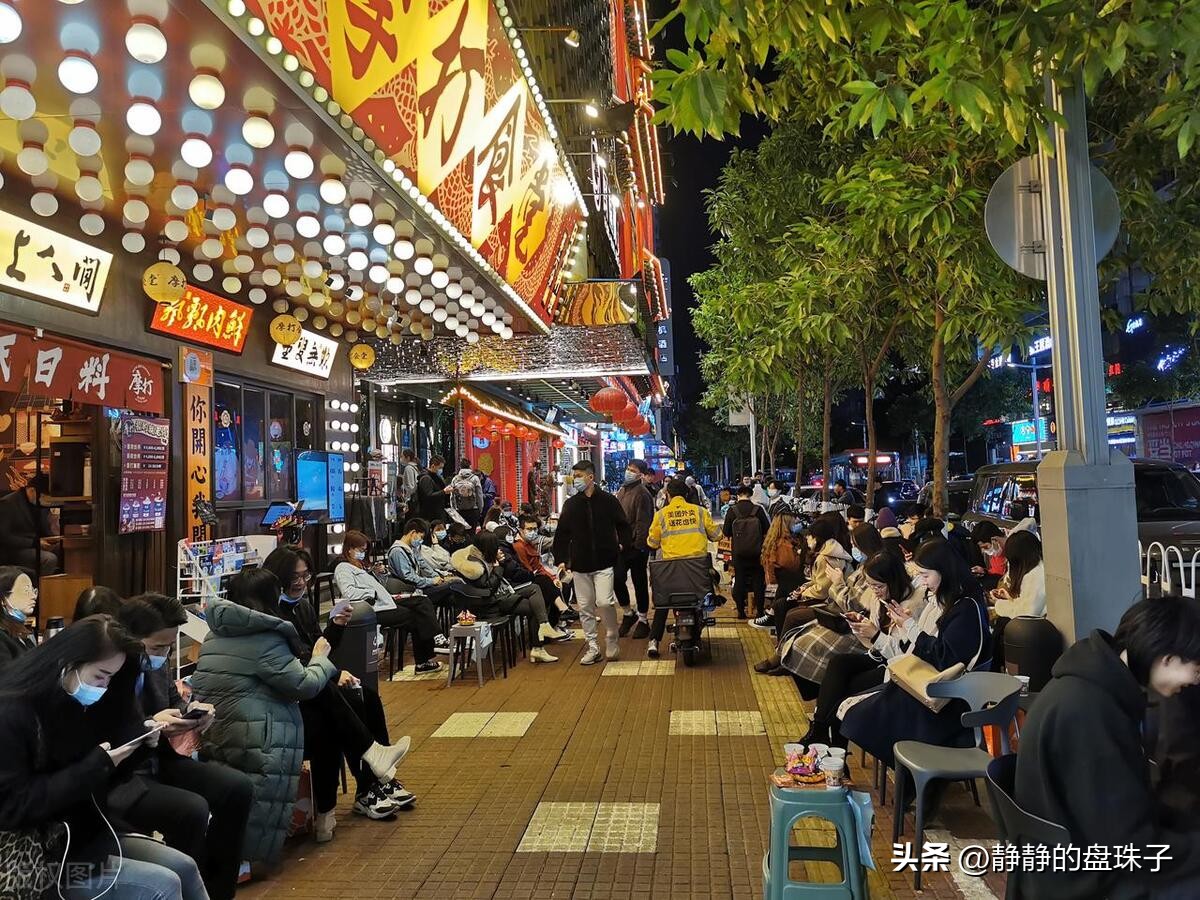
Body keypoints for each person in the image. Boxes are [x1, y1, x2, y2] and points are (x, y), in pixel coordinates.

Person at [0, 615, 209, 900]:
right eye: (100, 676)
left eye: (110, 678)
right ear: (68, 663)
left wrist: (139, 746)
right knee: (162, 885)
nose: (103, 687)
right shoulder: (13, 711)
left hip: (81, 839)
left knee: (183, 866)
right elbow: (13, 808)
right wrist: (95, 765)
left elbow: (98, 783)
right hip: (40, 857)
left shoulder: (72, 701)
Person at [1017, 598, 1200, 900]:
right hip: (1085, 878)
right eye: (1195, 667)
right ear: (1166, 657)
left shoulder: (1089, 685)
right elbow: (1130, 848)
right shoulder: (1092, 712)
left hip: (1067, 858)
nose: (1196, 679)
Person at [190, 569, 343, 870]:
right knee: (329, 729)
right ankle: (247, 858)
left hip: (216, 733)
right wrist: (321, 658)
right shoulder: (264, 639)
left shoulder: (215, 633)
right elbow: (304, 685)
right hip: (259, 737)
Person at [262, 547, 413, 838]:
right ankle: (369, 781)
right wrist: (330, 671)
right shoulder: (270, 618)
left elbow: (319, 648)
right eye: (294, 576)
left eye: (306, 575)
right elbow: (295, 664)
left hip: (312, 686)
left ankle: (373, 782)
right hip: (291, 702)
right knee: (340, 712)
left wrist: (335, 627)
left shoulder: (302, 606)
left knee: (364, 695)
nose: (301, 582)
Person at [115, 594, 253, 900]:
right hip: (122, 774)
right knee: (191, 809)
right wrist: (149, 723)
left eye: (168, 647)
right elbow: (102, 733)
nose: (163, 654)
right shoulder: (106, 670)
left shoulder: (154, 664)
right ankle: (187, 889)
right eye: (156, 647)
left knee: (237, 788)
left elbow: (173, 702)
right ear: (129, 637)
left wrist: (195, 714)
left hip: (158, 759)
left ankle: (217, 890)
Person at [839, 539, 992, 767]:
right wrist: (905, 625)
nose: (922, 581)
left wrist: (909, 626)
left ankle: (911, 780)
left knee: (860, 715)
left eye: (926, 575)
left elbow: (943, 657)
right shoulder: (945, 599)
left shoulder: (966, 608)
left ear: (945, 570)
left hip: (948, 701)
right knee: (856, 708)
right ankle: (907, 779)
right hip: (932, 686)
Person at [799, 549, 931, 746]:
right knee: (838, 662)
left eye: (878, 586)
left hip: (899, 667)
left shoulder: (913, 606)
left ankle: (836, 751)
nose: (874, 590)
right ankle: (819, 729)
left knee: (845, 690)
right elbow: (876, 638)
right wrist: (863, 624)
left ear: (893, 581)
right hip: (878, 655)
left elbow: (904, 654)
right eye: (870, 585)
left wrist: (876, 635)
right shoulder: (878, 599)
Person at [757, 523, 884, 678]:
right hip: (836, 605)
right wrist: (804, 589)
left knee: (791, 613)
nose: (852, 547)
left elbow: (847, 600)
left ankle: (782, 657)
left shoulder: (867, 567)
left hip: (842, 613)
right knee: (785, 604)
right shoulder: (860, 562)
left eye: (854, 544)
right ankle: (782, 655)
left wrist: (834, 584)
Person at [552, 459, 633, 665]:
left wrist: (623, 545)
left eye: (579, 476)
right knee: (586, 607)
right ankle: (593, 647)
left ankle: (612, 638)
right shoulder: (571, 504)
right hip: (579, 565)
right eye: (574, 476)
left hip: (605, 562)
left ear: (591, 477)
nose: (576, 480)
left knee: (605, 602)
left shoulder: (608, 501)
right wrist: (561, 559)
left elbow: (623, 525)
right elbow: (562, 534)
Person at [335, 530, 442, 674]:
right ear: (350, 549)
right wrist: (371, 593)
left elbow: (378, 586)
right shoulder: (343, 568)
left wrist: (380, 574)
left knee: (422, 602)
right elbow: (348, 592)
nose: (363, 553)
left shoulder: (361, 566)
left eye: (365, 551)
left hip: (385, 601)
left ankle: (436, 638)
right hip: (372, 609)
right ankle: (424, 660)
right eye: (361, 550)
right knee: (417, 617)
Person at [451, 531, 566, 662]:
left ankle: (544, 628)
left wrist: (503, 561)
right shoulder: (474, 565)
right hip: (492, 603)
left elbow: (514, 571)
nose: (498, 549)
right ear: (488, 547)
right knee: (536, 607)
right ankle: (538, 646)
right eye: (495, 546)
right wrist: (498, 568)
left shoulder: (487, 556)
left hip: (503, 594)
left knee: (535, 588)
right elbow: (489, 588)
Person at [645, 477, 721, 658]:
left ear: (668, 494)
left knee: (663, 603)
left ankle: (653, 641)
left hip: (671, 573)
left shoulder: (661, 515)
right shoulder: (700, 512)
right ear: (687, 494)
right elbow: (717, 535)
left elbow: (652, 542)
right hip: (697, 572)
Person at [387, 517, 473, 620]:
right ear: (413, 532)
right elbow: (409, 577)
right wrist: (432, 581)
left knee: (454, 595)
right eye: (421, 537)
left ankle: (458, 627)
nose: (421, 540)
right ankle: (460, 625)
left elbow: (423, 565)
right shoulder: (398, 551)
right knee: (456, 583)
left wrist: (438, 578)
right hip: (413, 592)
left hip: (422, 586)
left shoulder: (413, 548)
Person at [987, 529, 1045, 671]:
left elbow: (1027, 612)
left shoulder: (1036, 575)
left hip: (1034, 634)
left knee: (1001, 626)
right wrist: (1007, 598)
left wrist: (999, 605)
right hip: (1035, 630)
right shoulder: (1035, 570)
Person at [615, 459, 654, 638]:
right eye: (628, 469)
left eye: (632, 470)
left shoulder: (642, 494)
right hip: (621, 547)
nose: (628, 472)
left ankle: (643, 619)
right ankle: (628, 613)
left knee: (639, 583)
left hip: (637, 547)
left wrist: (639, 546)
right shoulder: (622, 490)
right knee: (617, 579)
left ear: (641, 475)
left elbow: (643, 523)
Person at [515, 514, 576, 625]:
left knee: (564, 587)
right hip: (528, 581)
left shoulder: (531, 544)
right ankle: (562, 609)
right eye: (529, 529)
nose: (532, 532)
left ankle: (556, 623)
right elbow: (527, 569)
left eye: (534, 529)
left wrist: (553, 578)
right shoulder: (519, 546)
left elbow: (539, 567)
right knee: (544, 580)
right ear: (521, 530)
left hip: (538, 577)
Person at [723, 484, 771, 619]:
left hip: (738, 553)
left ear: (738, 496)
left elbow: (726, 532)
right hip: (757, 552)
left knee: (739, 580)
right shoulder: (758, 510)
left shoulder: (732, 511)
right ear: (750, 496)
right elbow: (767, 529)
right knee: (758, 581)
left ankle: (741, 612)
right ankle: (760, 612)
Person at [0, 472, 58, 575]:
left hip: (37, 544)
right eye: (44, 497)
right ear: (32, 490)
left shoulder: (40, 504)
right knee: (49, 559)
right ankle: (41, 589)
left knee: (64, 549)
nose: (46, 500)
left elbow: (45, 529)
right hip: (16, 550)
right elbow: (5, 537)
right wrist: (35, 543)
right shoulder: (8, 503)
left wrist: (53, 539)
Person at [0, 566, 37, 667]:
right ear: (3, 599)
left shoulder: (23, 632)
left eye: (33, 591)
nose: (33, 596)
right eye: (26, 591)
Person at [968, 520, 1008, 589]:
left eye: (986, 547)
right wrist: (984, 571)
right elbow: (994, 571)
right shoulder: (996, 555)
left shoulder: (1011, 554)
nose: (984, 551)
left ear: (994, 540)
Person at [449, 459, 485, 529]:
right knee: (472, 533)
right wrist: (480, 509)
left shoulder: (455, 479)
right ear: (470, 466)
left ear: (460, 467)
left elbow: (452, 497)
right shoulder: (475, 478)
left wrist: (454, 510)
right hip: (473, 510)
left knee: (461, 532)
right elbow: (479, 495)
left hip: (459, 510)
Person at [416, 455, 451, 522]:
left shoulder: (436, 477)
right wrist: (444, 492)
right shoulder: (426, 478)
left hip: (438, 512)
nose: (441, 470)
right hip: (430, 515)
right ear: (433, 466)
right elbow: (428, 495)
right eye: (440, 468)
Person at [395, 448, 420, 522]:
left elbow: (410, 487)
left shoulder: (408, 468)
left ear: (408, 457)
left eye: (402, 456)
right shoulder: (415, 467)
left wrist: (407, 500)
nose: (401, 459)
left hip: (411, 501)